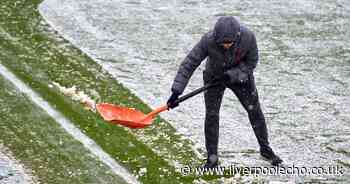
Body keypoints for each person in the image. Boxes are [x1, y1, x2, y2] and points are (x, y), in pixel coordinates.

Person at [167, 16, 283, 167]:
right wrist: (176, 91)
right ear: (216, 38)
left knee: (254, 110)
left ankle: (265, 149)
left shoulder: (248, 37)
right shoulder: (208, 40)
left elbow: (252, 62)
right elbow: (190, 63)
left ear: (237, 36)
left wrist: (233, 75)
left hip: (241, 77)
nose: (226, 46)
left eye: (230, 43)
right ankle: (212, 157)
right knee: (212, 114)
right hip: (214, 76)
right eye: (223, 43)